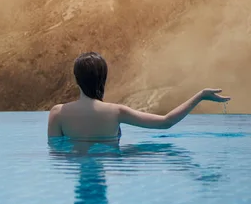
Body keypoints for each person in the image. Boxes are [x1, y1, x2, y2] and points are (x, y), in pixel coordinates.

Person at [47, 52, 231, 140]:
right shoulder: (115, 112)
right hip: (110, 162)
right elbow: (166, 122)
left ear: (76, 79)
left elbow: (56, 153)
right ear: (103, 79)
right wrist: (199, 96)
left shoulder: (58, 113)